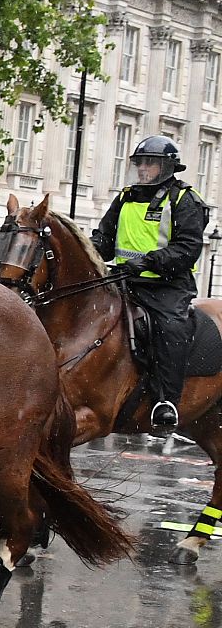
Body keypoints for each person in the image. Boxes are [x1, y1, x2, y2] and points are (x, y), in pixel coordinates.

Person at [94, 136, 209, 435]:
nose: (143, 169)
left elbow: (188, 247)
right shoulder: (126, 197)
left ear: (167, 167)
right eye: (139, 163)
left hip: (166, 286)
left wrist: (149, 262)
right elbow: (104, 239)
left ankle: (165, 403)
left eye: (150, 163)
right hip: (124, 281)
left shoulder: (184, 200)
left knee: (170, 329)